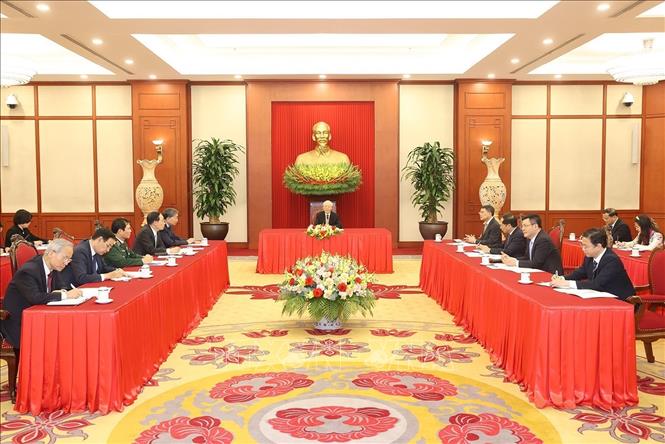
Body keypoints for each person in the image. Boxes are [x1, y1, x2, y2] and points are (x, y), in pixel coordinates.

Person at [0, 239, 82, 389]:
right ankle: (42, 383)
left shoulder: (53, 267)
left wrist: (65, 291)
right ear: (51, 253)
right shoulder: (28, 271)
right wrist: (65, 295)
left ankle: (59, 379)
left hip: (38, 317)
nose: (66, 263)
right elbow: (35, 297)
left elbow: (60, 287)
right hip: (17, 322)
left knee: (68, 329)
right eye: (65, 258)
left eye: (69, 259)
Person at [551, 228, 635, 300]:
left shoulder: (611, 260)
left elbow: (597, 284)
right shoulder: (590, 256)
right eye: (582, 245)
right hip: (601, 295)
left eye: (586, 246)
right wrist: (562, 278)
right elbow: (581, 272)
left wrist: (567, 283)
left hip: (620, 300)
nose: (583, 249)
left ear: (598, 246)